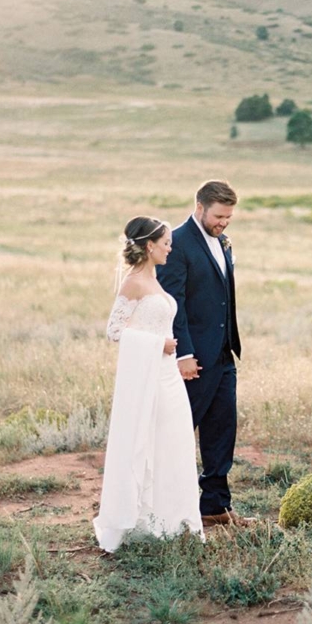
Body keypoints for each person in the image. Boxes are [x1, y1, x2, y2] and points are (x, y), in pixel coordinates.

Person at [93, 216, 203, 552]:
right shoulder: (134, 283)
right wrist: (159, 345)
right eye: (166, 243)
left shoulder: (155, 279)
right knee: (151, 440)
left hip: (168, 375)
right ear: (150, 245)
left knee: (174, 440)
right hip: (150, 375)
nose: (171, 248)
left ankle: (174, 518)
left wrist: (168, 349)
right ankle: (146, 518)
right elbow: (114, 331)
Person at [158, 180, 253, 528]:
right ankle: (167, 508)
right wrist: (184, 353)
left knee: (222, 430)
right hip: (193, 358)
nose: (224, 223)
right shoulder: (177, 243)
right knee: (182, 431)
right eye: (219, 216)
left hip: (225, 354)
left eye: (229, 217)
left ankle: (215, 505)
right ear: (199, 207)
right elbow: (174, 303)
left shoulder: (223, 241)